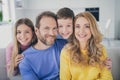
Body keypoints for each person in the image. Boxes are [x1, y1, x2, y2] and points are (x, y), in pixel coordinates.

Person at [60, 11, 113, 80]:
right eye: (78, 26)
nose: (81, 31)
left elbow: (107, 78)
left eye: (87, 26)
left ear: (93, 29)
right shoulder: (66, 52)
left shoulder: (101, 49)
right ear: (74, 29)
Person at [19, 11, 67, 80]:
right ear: (36, 30)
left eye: (54, 28)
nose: (52, 33)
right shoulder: (25, 60)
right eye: (46, 28)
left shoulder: (64, 44)